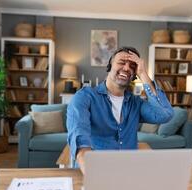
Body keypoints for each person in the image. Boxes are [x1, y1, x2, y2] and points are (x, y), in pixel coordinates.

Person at [67, 46, 174, 174]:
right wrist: (92, 174)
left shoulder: (136, 103)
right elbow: (80, 138)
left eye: (133, 66)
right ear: (110, 66)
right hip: (93, 171)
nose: (127, 68)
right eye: (122, 62)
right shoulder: (85, 97)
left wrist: (143, 74)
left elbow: (165, 114)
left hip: (127, 172)